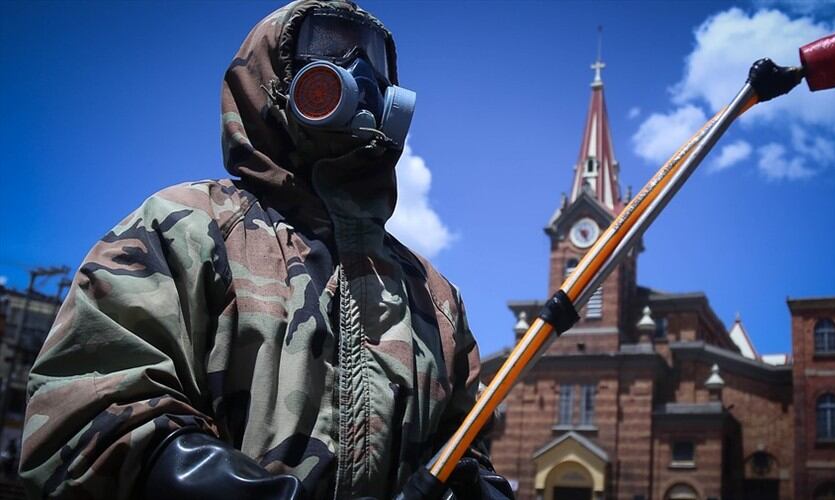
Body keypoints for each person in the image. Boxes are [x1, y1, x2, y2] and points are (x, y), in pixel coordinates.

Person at [19, 1, 513, 499]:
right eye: (330, 52)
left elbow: (462, 450)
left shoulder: (435, 297)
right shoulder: (185, 228)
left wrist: (475, 489)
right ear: (271, 82)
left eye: (373, 61)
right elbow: (88, 410)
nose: (360, 74)